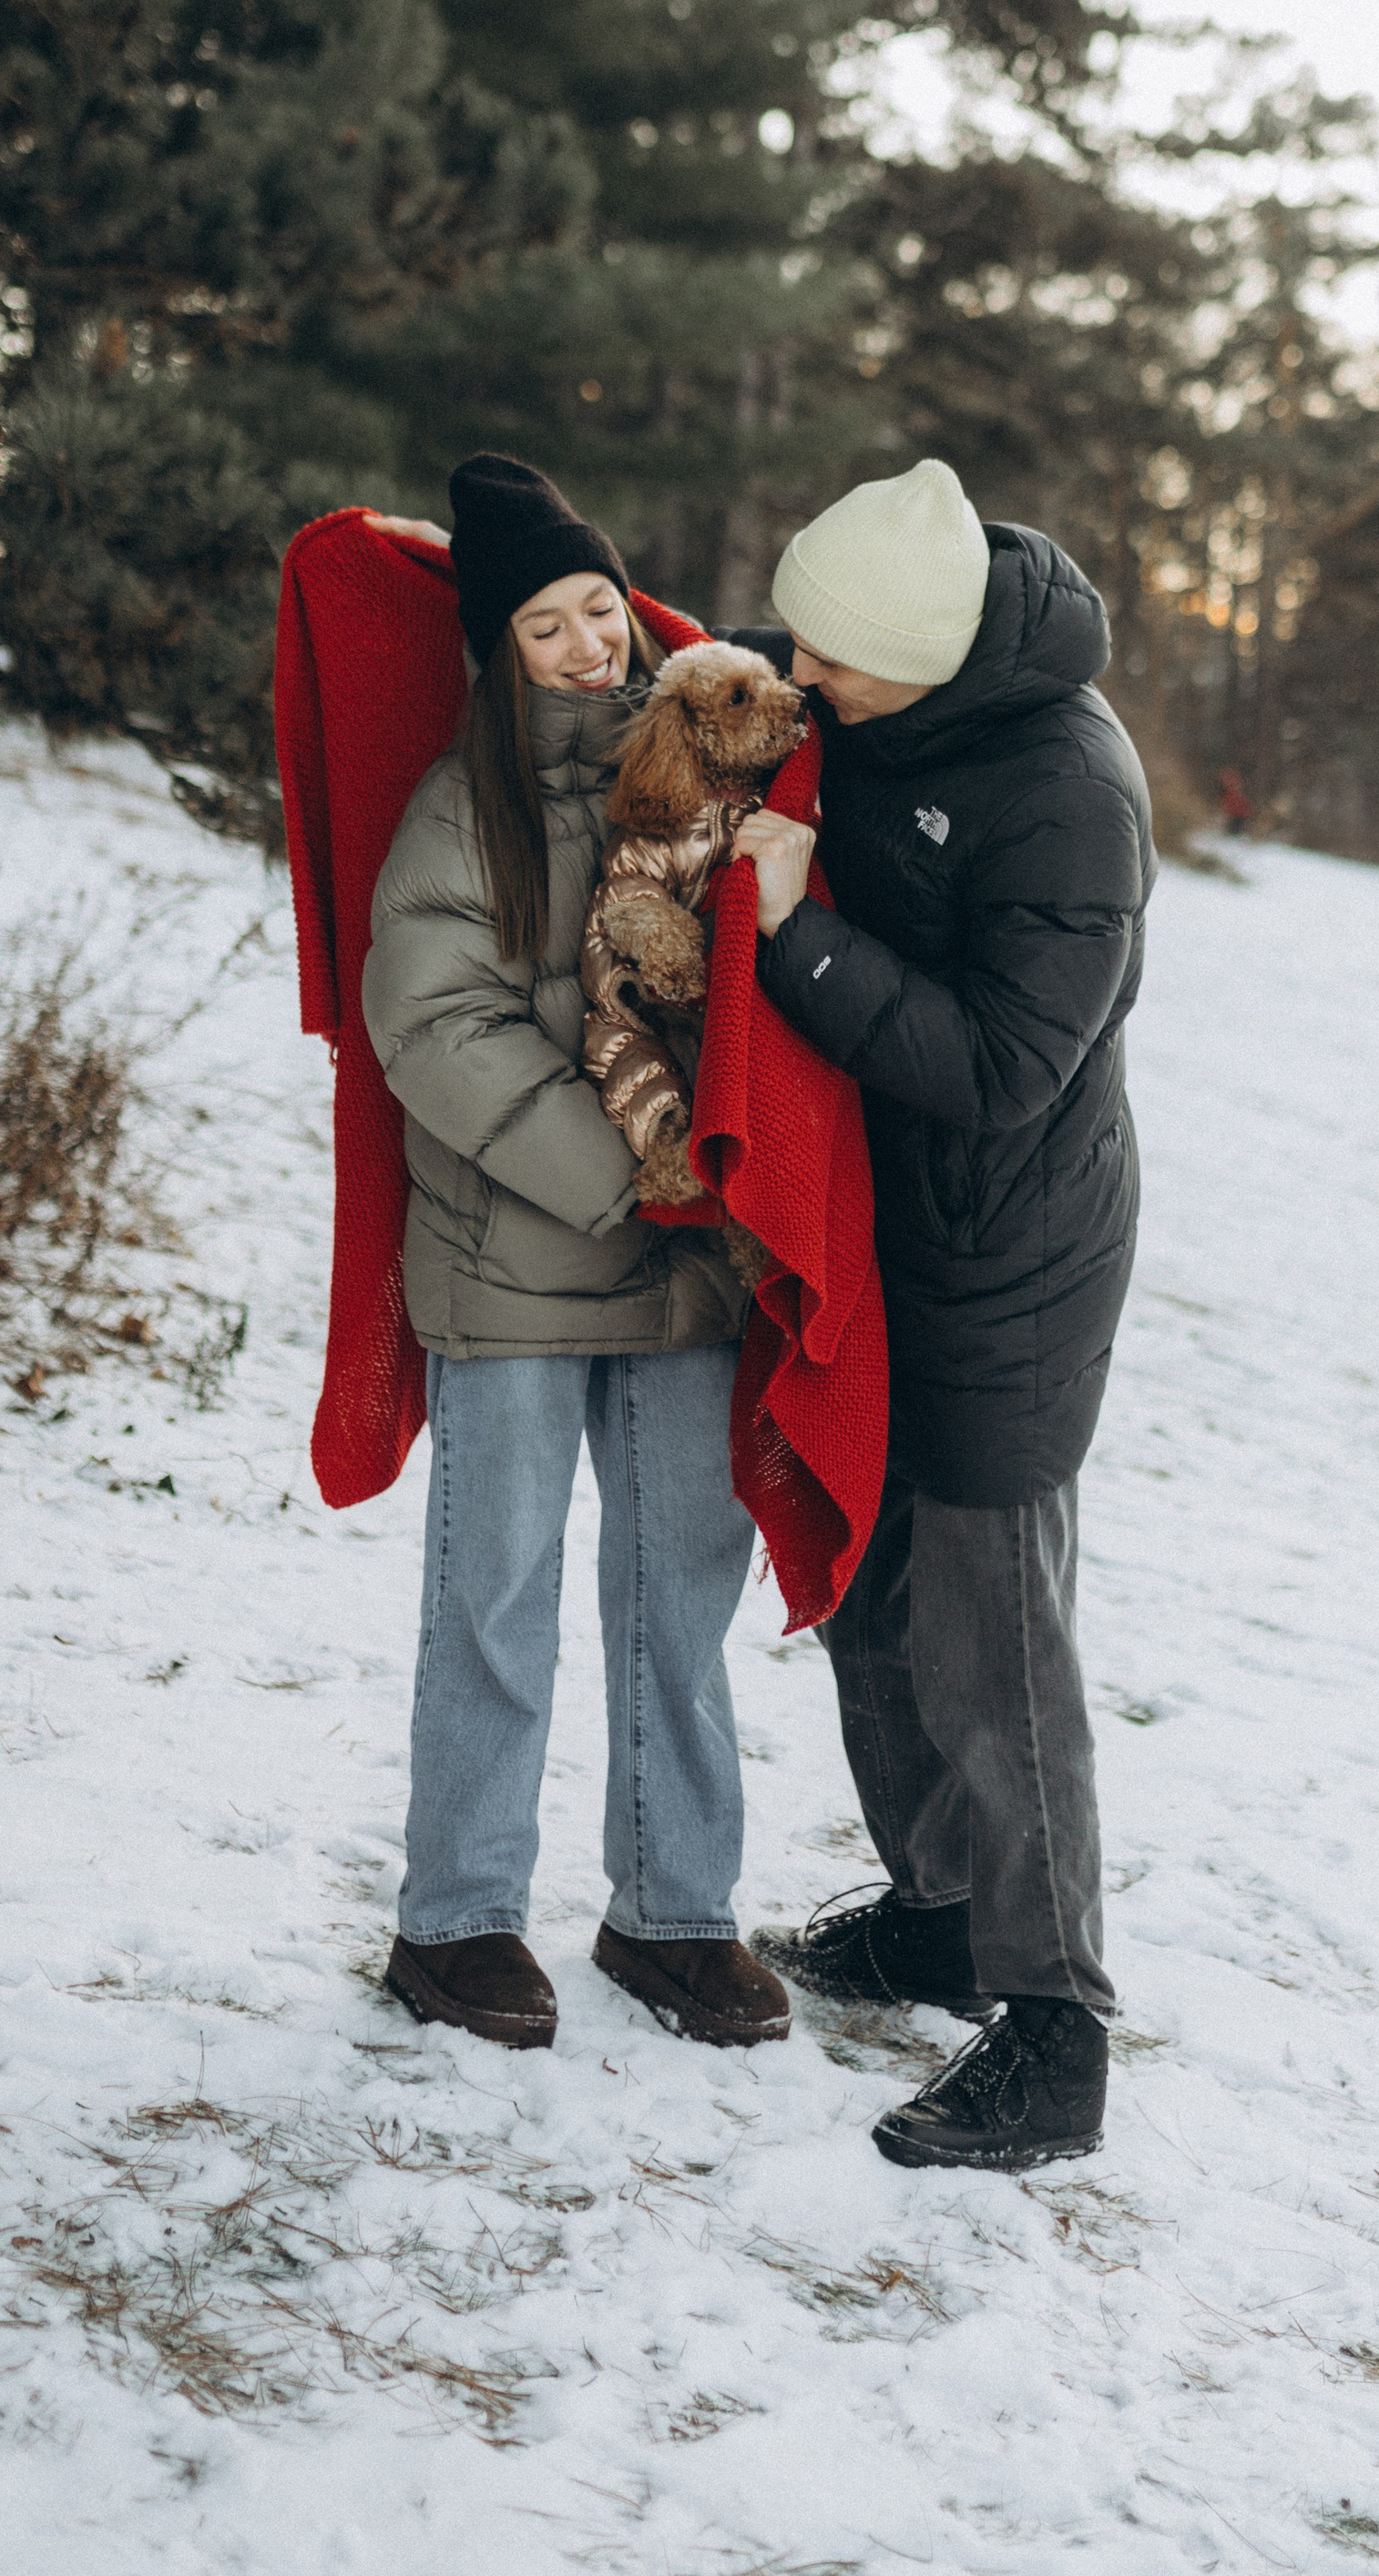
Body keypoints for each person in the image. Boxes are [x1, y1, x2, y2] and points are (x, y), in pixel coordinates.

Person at [733, 461, 1152, 2172]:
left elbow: (998, 1067)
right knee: (872, 1582)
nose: (801, 679)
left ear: (918, 657)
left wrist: (799, 938)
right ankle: (937, 1913)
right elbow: (701, 666)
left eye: (829, 660)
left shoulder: (1070, 795)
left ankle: (1055, 2034)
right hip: (879, 1232)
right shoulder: (880, 672)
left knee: (996, 1640)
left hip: (1009, 1261)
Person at [359, 453, 792, 2054]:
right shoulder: (456, 809)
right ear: (501, 653)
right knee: (497, 1595)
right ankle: (457, 1918)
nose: (586, 646)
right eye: (544, 626)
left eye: (599, 609)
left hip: (690, 1268)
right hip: (519, 1263)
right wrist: (624, 1170)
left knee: (680, 1595)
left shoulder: (704, 774)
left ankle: (672, 1914)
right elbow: (432, 1020)